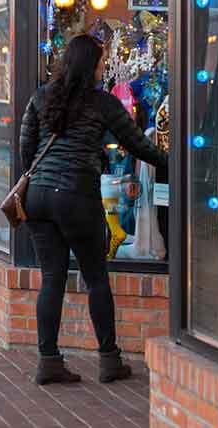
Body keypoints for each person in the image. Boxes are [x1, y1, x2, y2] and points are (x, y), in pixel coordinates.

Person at [19, 34, 168, 386]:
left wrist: (44, 177)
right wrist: (174, 162)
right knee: (96, 278)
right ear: (91, 66)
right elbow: (139, 145)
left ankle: (48, 362)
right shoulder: (102, 103)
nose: (104, 67)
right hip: (76, 196)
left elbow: (26, 149)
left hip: (38, 197)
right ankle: (109, 360)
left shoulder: (41, 97)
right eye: (102, 62)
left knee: (51, 278)